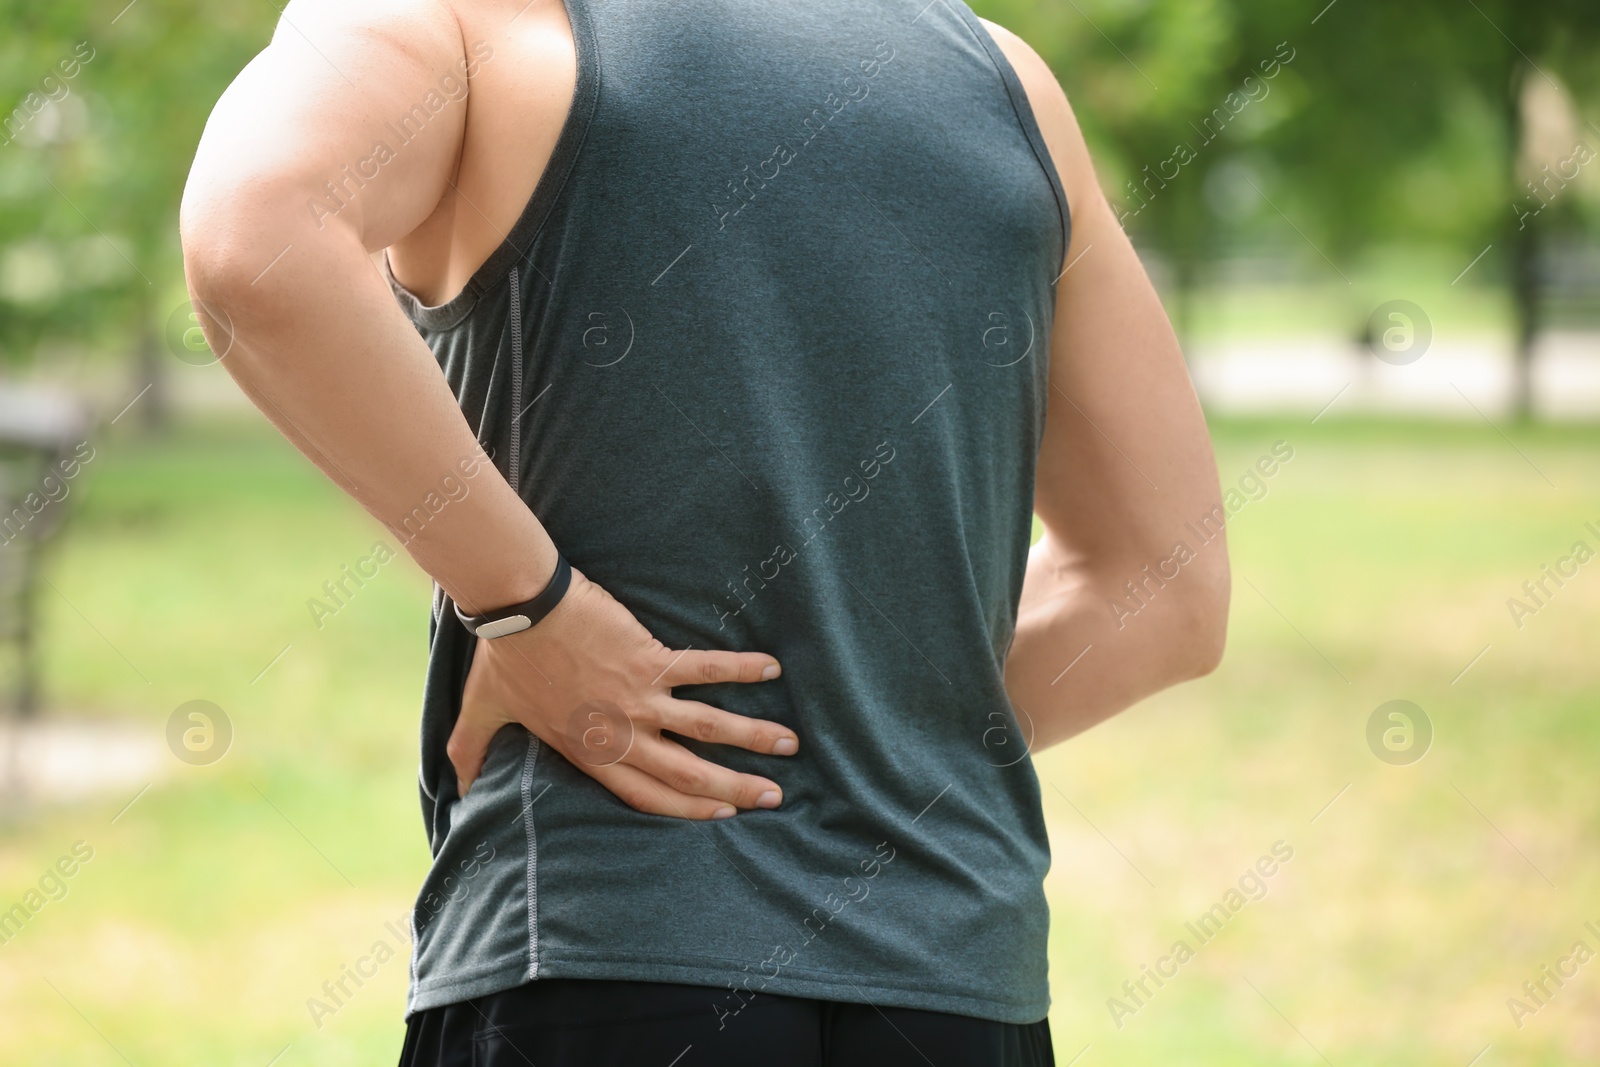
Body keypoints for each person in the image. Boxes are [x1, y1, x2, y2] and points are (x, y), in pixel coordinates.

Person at [180, 0, 1229, 1062]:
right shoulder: (1007, 83)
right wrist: (863, 725)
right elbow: (1170, 589)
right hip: (957, 989)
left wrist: (527, 607)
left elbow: (252, 234)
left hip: (598, 961)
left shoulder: (460, 18)